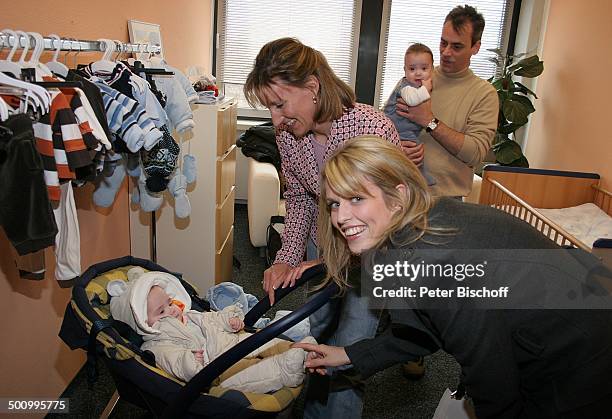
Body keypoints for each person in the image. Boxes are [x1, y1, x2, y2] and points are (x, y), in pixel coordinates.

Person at [294, 136, 612, 419]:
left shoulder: (432, 261)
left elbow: (492, 380)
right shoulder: (414, 231)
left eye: (357, 199)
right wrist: (349, 354)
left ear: (398, 197)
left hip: (584, 348)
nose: (340, 217)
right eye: (334, 203)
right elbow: (425, 331)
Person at [243, 37, 400, 418]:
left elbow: (390, 216)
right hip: (323, 243)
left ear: (312, 87)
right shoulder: (287, 135)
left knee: (348, 347)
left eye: (280, 105)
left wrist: (329, 265)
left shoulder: (369, 127)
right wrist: (286, 258)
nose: (276, 120)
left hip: (370, 258)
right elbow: (298, 197)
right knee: (319, 331)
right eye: (270, 108)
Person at [109, 267, 315, 393]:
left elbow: (211, 318)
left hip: (232, 342)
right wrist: (191, 363)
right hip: (217, 371)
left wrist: (229, 319)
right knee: (253, 375)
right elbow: (172, 361)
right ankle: (286, 369)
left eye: (169, 302)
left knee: (265, 342)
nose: (172, 310)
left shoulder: (189, 316)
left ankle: (296, 348)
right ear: (143, 323)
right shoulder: (156, 344)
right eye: (161, 310)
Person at [398, 5, 498, 198]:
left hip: (446, 202)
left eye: (457, 46)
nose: (446, 52)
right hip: (402, 192)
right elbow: (385, 125)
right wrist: (397, 147)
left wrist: (429, 121)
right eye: (443, 43)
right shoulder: (416, 77)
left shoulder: (484, 94)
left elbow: (475, 153)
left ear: (475, 47)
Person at [384, 43, 436, 186]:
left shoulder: (418, 86)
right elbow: (413, 100)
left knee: (416, 149)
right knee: (414, 148)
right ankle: (417, 176)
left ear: (432, 69)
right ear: (405, 70)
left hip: (408, 129)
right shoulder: (406, 87)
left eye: (424, 68)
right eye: (412, 69)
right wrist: (426, 88)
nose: (418, 73)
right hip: (397, 129)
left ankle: (418, 175)